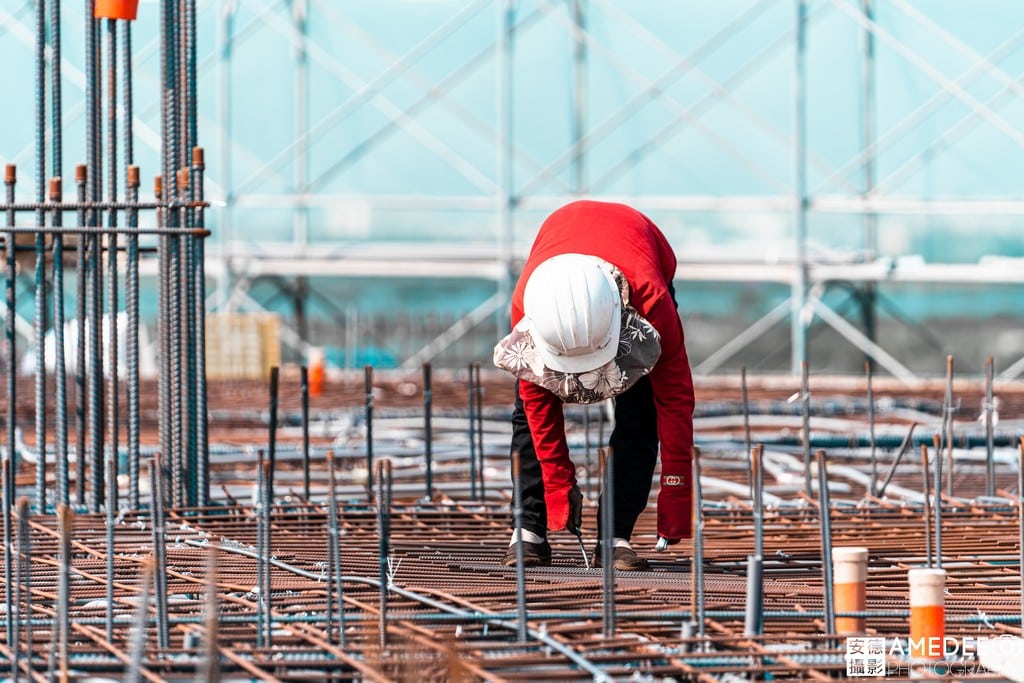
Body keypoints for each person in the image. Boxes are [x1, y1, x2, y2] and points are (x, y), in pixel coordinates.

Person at [493, 200, 695, 571]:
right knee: (527, 411)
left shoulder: (652, 302)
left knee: (642, 405)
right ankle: (528, 529)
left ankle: (614, 534)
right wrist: (557, 485)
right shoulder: (530, 303)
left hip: (637, 261)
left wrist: (676, 495)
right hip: (561, 243)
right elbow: (539, 408)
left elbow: (675, 401)